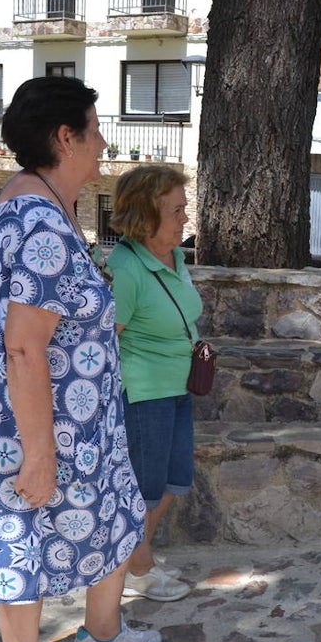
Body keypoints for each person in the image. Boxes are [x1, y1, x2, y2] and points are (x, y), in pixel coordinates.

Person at [0, 76, 160, 642]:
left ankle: (103, 634)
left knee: (115, 512)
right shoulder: (37, 222)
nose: (104, 143)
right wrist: (39, 451)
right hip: (41, 427)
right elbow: (24, 346)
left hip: (82, 426)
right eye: (95, 129)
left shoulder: (33, 208)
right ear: (65, 137)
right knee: (19, 528)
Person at [107, 165, 198, 602]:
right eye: (177, 210)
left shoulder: (175, 257)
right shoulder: (125, 268)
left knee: (171, 482)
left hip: (176, 388)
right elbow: (109, 341)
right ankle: (136, 568)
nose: (186, 219)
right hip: (144, 394)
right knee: (143, 490)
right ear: (146, 215)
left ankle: (133, 560)